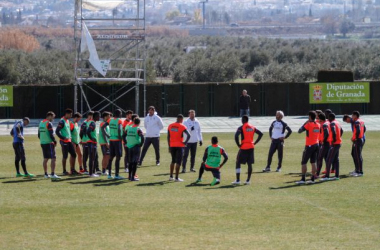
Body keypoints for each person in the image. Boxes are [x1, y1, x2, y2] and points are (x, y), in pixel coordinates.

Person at [233, 115, 263, 185]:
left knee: (238, 162)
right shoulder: (252, 127)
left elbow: (236, 136)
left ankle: (238, 180)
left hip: (244, 147)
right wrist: (255, 142)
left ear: (243, 120)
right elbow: (261, 134)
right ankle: (248, 180)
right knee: (249, 164)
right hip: (251, 147)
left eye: (241, 119)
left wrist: (238, 145)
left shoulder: (241, 127)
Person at [296, 111, 320, 184]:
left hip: (309, 145)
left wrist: (305, 123)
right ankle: (312, 178)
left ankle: (303, 179)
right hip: (316, 144)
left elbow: (299, 131)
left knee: (304, 162)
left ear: (310, 116)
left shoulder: (309, 124)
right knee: (313, 162)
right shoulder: (318, 124)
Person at [167, 114, 191, 182]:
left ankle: (171, 176)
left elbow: (168, 136)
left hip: (172, 145)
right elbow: (189, 135)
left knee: (173, 160)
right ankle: (176, 178)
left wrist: (169, 145)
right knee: (178, 162)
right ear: (181, 119)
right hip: (179, 146)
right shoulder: (182, 126)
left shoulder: (170, 125)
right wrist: (185, 142)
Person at [321, 113, 343, 181]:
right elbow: (342, 131)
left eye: (328, 118)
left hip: (334, 143)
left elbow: (333, 131)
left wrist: (333, 140)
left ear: (330, 117)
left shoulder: (332, 123)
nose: (328, 119)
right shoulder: (338, 123)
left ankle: (327, 176)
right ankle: (337, 176)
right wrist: (338, 138)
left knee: (328, 159)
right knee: (336, 159)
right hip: (338, 142)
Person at [56, 108, 78, 175]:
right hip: (64, 141)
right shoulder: (62, 121)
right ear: (67, 114)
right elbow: (57, 131)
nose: (71, 116)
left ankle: (72, 169)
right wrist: (63, 138)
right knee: (65, 156)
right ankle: (64, 171)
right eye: (70, 114)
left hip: (69, 141)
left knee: (74, 154)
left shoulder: (67, 121)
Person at [38, 111, 60, 179]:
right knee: (53, 158)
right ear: (49, 116)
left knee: (45, 158)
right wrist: (54, 141)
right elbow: (51, 134)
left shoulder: (41, 123)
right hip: (49, 143)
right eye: (53, 117)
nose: (53, 119)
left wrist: (42, 140)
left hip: (43, 143)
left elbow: (39, 134)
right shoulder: (49, 123)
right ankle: (53, 174)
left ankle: (45, 174)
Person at [104, 109, 124, 179]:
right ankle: (116, 175)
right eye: (121, 113)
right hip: (117, 141)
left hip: (111, 140)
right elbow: (119, 129)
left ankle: (109, 174)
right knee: (118, 157)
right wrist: (120, 137)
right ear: (119, 114)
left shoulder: (110, 120)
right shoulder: (119, 121)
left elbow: (103, 127)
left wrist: (107, 134)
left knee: (111, 157)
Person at [350, 111, 366, 177]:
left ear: (355, 116)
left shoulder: (357, 122)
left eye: (352, 115)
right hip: (360, 139)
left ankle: (360, 172)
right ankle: (357, 170)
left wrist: (356, 138)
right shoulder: (362, 121)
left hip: (358, 140)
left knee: (357, 155)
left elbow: (358, 130)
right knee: (354, 153)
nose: (351, 117)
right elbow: (364, 129)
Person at [316, 113, 331, 177]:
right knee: (327, 158)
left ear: (320, 119)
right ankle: (327, 173)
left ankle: (317, 174)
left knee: (320, 158)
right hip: (329, 143)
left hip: (326, 143)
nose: (317, 119)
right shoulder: (327, 122)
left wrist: (323, 141)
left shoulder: (324, 125)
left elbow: (326, 133)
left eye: (317, 118)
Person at [86, 111, 100, 177]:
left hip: (92, 143)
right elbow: (88, 131)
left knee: (93, 158)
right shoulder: (93, 123)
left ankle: (92, 172)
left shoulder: (93, 122)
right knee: (92, 158)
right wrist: (91, 138)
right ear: (95, 116)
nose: (99, 117)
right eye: (98, 116)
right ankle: (91, 173)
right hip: (91, 143)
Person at [99, 112, 111, 176]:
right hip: (104, 142)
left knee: (107, 156)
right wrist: (106, 143)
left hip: (105, 142)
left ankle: (105, 169)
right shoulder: (102, 124)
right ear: (105, 117)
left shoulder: (106, 124)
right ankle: (103, 170)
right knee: (106, 156)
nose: (109, 118)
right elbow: (104, 135)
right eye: (108, 116)